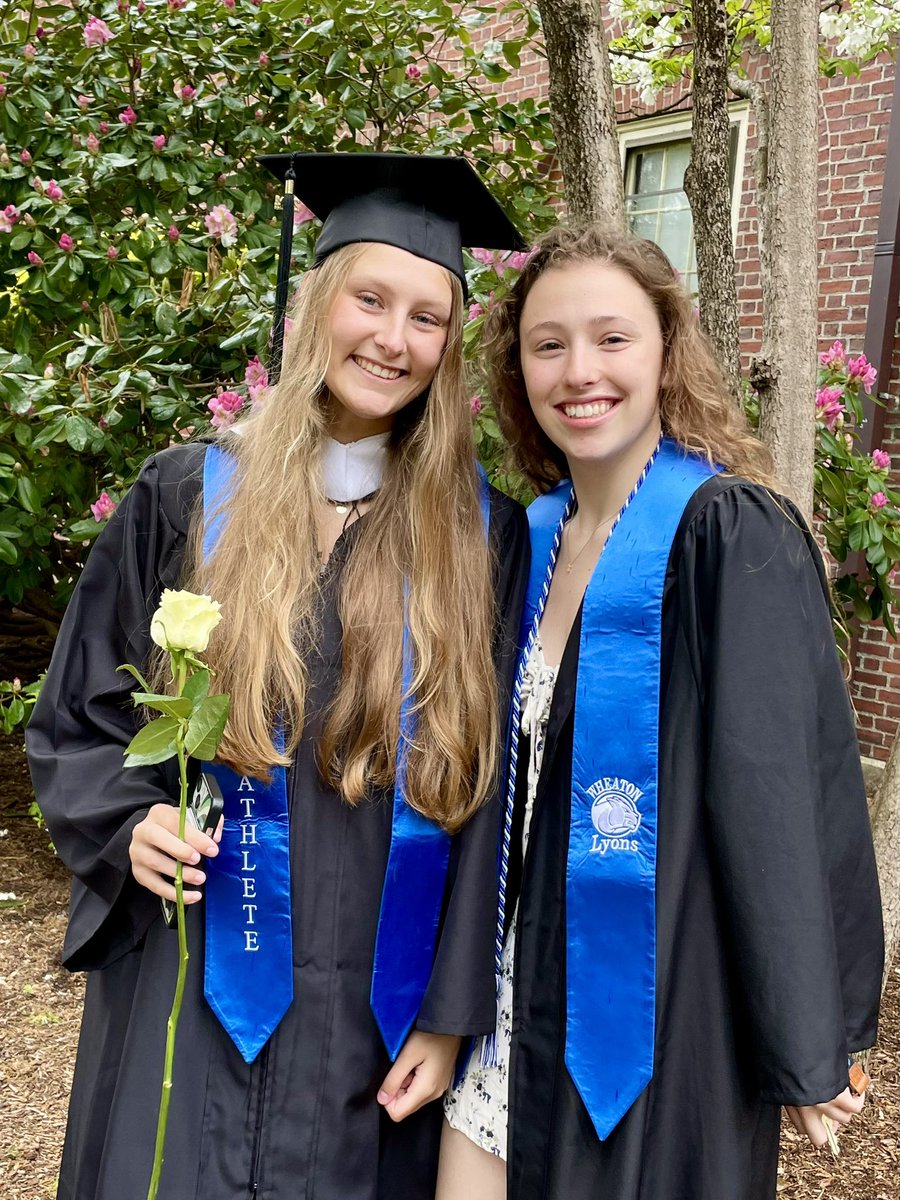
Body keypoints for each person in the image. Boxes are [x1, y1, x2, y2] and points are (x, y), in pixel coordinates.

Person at [26, 152, 530, 1200]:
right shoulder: (187, 495)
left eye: (427, 318)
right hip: (193, 965)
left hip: (375, 1005)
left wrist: (450, 1015)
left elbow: (491, 796)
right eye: (370, 300)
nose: (392, 339)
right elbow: (81, 711)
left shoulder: (480, 536)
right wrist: (129, 823)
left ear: (448, 347)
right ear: (317, 306)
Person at [438, 224, 884, 1200]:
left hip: (660, 1018)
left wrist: (808, 1035)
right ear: (518, 371)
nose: (579, 371)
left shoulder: (727, 532)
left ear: (667, 351)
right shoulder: (527, 541)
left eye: (612, 338)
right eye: (548, 344)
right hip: (510, 1014)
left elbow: (779, 795)